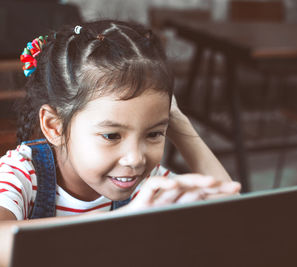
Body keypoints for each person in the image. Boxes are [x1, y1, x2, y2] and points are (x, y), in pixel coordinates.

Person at [0, 19, 240, 226]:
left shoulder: (146, 181)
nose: (135, 158)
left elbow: (231, 217)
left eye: (154, 134)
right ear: (54, 126)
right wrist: (123, 219)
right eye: (112, 136)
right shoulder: (22, 174)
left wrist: (177, 120)